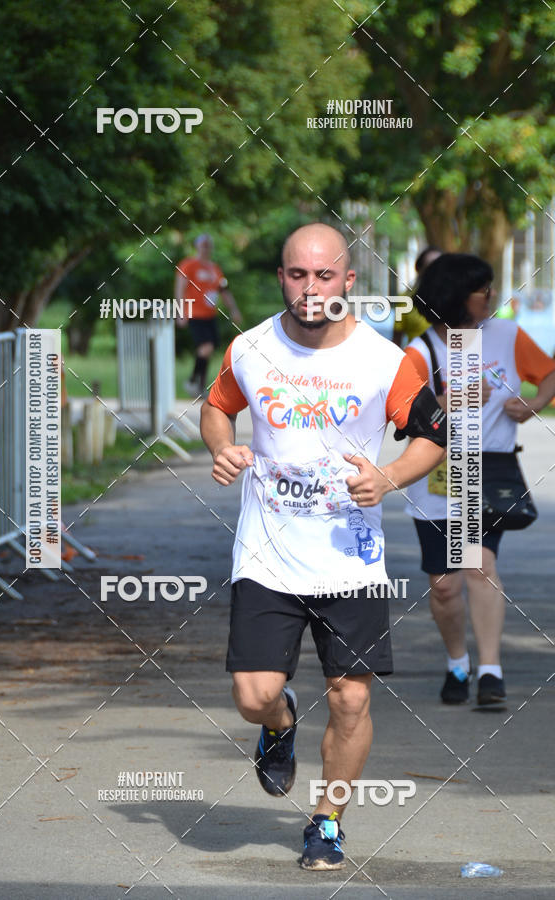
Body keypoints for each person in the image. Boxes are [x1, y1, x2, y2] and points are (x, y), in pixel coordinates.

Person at [200, 223, 447, 870]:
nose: (311, 289)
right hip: (267, 551)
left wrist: (388, 476)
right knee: (253, 694)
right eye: (298, 275)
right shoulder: (251, 348)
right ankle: (279, 728)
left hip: (350, 556)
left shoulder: (387, 360)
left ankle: (328, 821)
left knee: (352, 697)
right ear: (282, 278)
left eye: (325, 276)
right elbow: (216, 406)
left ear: (348, 282)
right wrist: (222, 448)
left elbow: (430, 436)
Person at [403, 253, 555, 706]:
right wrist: (450, 399)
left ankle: (491, 672)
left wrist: (532, 405)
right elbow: (404, 419)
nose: (491, 296)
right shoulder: (422, 351)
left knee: (479, 567)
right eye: (481, 289)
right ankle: (457, 663)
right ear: (454, 297)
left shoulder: (506, 334)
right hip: (436, 475)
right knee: (444, 586)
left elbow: (549, 373)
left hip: (485, 474)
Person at [175, 234, 242, 396]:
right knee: (206, 347)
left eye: (208, 245)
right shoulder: (188, 265)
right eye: (203, 245)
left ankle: (199, 386)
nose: (206, 248)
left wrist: (233, 309)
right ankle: (193, 381)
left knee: (209, 349)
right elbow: (179, 288)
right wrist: (180, 311)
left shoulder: (214, 269)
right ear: (197, 246)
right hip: (194, 313)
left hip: (209, 315)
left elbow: (224, 290)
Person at [392, 245, 441, 348]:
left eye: (441, 266)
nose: (436, 270)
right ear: (419, 269)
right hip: (416, 361)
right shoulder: (405, 299)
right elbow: (397, 339)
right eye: (430, 266)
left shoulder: (457, 298)